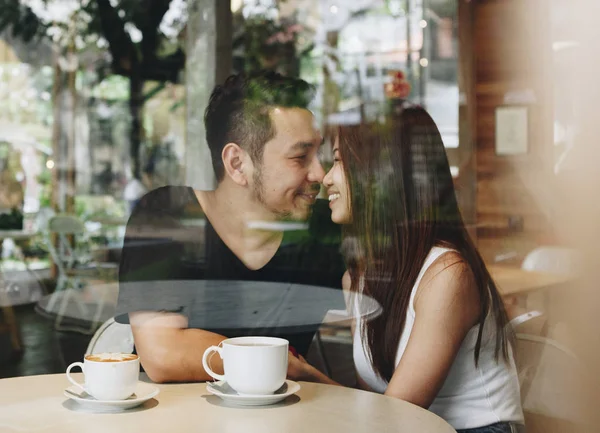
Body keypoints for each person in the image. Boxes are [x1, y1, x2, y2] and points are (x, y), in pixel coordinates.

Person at [290, 106, 524, 432]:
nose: (327, 177)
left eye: (340, 161)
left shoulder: (447, 276)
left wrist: (307, 375)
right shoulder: (358, 277)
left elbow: (396, 415)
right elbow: (374, 402)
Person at [115, 71, 345, 383]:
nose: (320, 173)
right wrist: (290, 366)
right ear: (238, 164)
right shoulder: (168, 215)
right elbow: (163, 354)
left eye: (319, 154)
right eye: (301, 157)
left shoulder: (323, 229)